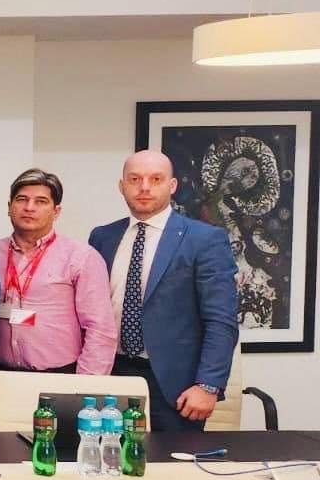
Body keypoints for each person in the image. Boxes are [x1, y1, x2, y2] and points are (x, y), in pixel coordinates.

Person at [88, 150, 237, 432]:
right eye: (135, 179)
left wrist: (208, 385)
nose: (144, 187)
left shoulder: (204, 239)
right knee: (107, 455)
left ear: (172, 185)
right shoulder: (102, 237)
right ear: (122, 186)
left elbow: (221, 320)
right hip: (109, 374)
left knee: (170, 460)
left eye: (156, 179)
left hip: (174, 386)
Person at [0, 169, 117, 375]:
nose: (29, 207)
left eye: (41, 201)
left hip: (59, 375)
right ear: (9, 207)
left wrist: (86, 384)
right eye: (22, 199)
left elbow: (100, 329)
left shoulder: (81, 257)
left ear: (56, 211)